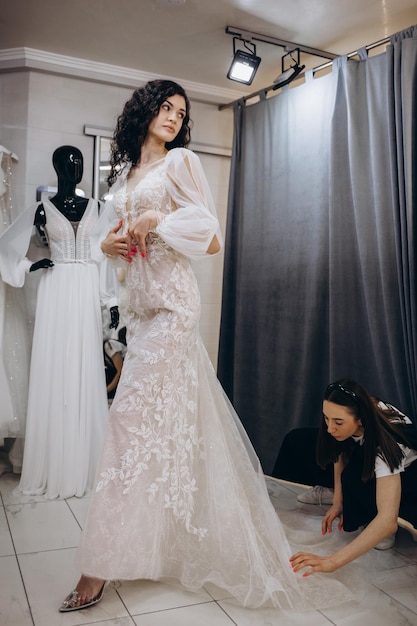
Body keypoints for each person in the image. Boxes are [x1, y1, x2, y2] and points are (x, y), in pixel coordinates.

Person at [59, 80, 356, 613]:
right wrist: (109, 242)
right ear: (145, 111)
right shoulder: (125, 175)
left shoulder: (181, 165)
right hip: (142, 316)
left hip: (174, 311)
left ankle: (96, 567)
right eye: (165, 107)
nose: (173, 117)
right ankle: (163, 541)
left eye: (181, 111)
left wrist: (160, 220)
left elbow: (212, 237)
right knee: (168, 432)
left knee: (127, 427)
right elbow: (112, 243)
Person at [0, 146, 119, 499]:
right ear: (56, 166)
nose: (76, 166)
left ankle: (84, 461)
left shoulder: (100, 208)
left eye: (80, 161)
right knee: (55, 368)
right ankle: (53, 462)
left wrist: (110, 302)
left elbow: (107, 259)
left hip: (85, 290)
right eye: (70, 161)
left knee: (83, 369)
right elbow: (5, 248)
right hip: (55, 291)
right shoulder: (40, 209)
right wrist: (28, 266)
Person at [290, 379, 417, 576]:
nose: (330, 428)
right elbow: (339, 450)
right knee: (297, 439)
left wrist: (332, 561)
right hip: (367, 452)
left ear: (360, 419)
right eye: (326, 418)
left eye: (338, 422)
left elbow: (387, 520)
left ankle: (372, 519)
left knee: (355, 482)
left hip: (407, 477)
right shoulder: (354, 407)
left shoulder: (385, 446)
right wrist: (338, 501)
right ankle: (334, 494)